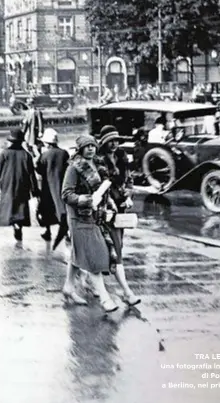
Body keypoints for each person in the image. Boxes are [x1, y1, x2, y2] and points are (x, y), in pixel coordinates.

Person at [61, 135, 119, 313]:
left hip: (94, 216)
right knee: (94, 256)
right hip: (79, 217)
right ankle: (104, 298)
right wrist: (87, 200)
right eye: (86, 147)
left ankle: (69, 288)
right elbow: (66, 194)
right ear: (80, 149)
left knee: (78, 253)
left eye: (93, 146)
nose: (91, 149)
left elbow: (102, 190)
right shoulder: (74, 168)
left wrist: (109, 203)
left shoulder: (98, 165)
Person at [96, 126, 141, 306]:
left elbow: (129, 179)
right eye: (110, 141)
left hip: (120, 206)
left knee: (116, 245)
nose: (114, 144)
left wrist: (128, 196)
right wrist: (108, 201)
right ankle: (126, 291)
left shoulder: (121, 156)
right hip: (104, 208)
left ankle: (81, 283)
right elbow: (97, 185)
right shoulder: (98, 159)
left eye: (116, 140)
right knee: (113, 248)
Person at [0, 128, 39, 242]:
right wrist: (35, 192)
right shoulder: (27, 155)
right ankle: (18, 227)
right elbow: (32, 175)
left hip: (8, 185)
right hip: (22, 186)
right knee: (20, 208)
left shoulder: (5, 154)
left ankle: (15, 226)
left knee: (9, 208)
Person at [36, 128, 69, 249]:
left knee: (46, 209)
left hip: (48, 186)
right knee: (62, 208)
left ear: (46, 143)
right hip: (62, 185)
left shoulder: (44, 155)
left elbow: (39, 169)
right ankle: (66, 232)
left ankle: (48, 231)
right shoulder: (64, 153)